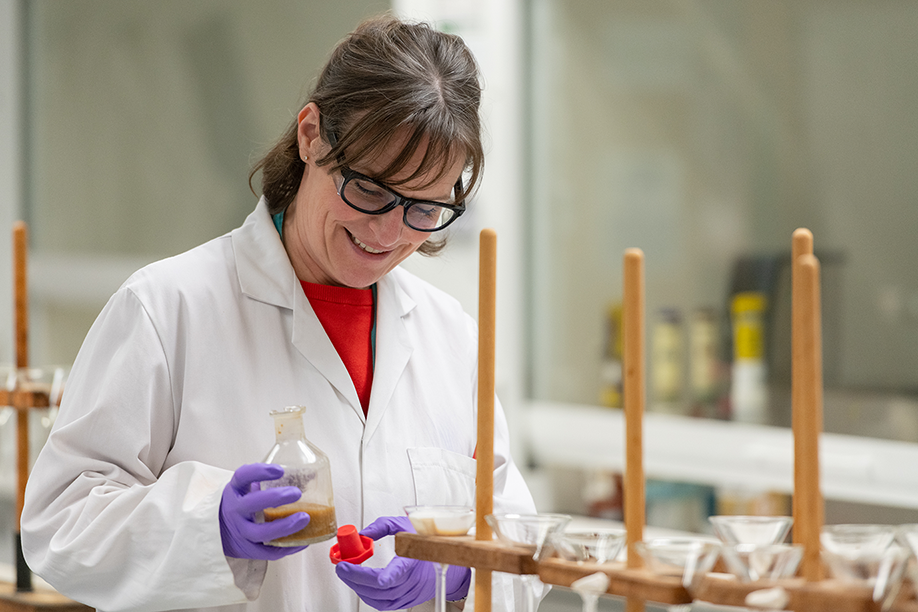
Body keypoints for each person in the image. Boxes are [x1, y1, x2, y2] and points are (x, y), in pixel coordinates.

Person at [21, 14, 536, 612]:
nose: (389, 232)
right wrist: (209, 525)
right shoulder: (169, 310)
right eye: (370, 190)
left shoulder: (452, 339)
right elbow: (60, 522)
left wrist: (459, 574)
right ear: (312, 135)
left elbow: (518, 536)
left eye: (424, 209)